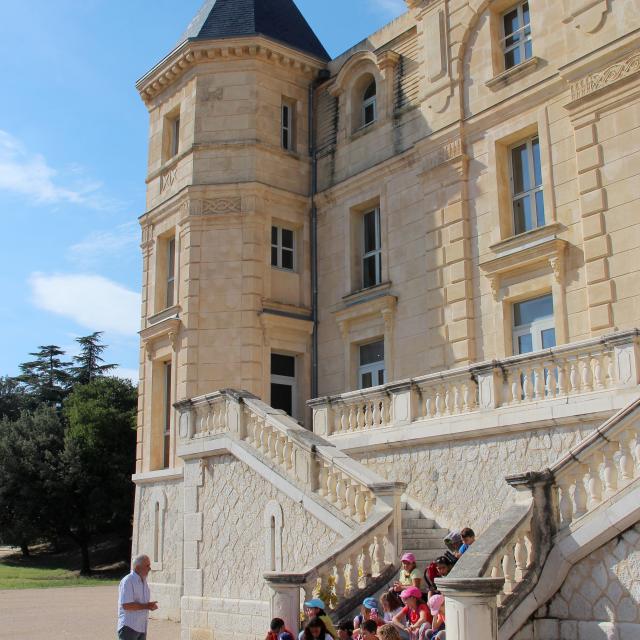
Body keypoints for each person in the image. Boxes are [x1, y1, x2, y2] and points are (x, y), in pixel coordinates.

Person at [117, 554, 158, 640]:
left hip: (142, 627)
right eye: (147, 566)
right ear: (138, 567)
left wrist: (149, 605)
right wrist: (147, 606)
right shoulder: (128, 581)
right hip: (129, 627)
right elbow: (126, 605)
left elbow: (141, 603)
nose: (150, 568)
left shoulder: (144, 582)